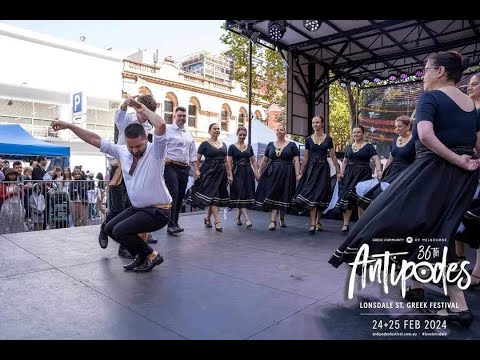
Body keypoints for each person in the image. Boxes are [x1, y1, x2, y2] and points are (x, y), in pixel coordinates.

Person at [329, 51, 480, 327]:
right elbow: (478, 144)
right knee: (438, 233)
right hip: (462, 177)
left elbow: (424, 135)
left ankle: (365, 257)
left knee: (390, 216)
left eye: (426, 69)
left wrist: (457, 159)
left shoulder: (430, 98)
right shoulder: (471, 106)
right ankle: (448, 299)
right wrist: (467, 162)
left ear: (441, 72)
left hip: (433, 171)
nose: (423, 75)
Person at [51, 97, 170, 272]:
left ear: (146, 139)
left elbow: (160, 126)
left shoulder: (156, 151)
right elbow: (93, 139)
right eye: (131, 147)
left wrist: (143, 109)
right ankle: (141, 255)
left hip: (159, 210)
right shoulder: (122, 151)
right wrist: (69, 125)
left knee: (121, 230)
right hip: (139, 209)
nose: (135, 150)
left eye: (139, 146)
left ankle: (151, 255)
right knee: (109, 228)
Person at [98, 95, 156, 254]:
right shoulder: (128, 119)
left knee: (132, 208)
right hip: (119, 168)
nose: (146, 115)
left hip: (136, 170)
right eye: (144, 111)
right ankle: (104, 229)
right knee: (117, 208)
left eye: (149, 112)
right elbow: (119, 117)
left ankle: (125, 247)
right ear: (138, 108)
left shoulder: (149, 127)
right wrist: (125, 103)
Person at [356, 116, 415, 210]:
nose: (397, 129)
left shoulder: (415, 140)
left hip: (406, 173)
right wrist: (383, 173)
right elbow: (390, 159)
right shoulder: (395, 140)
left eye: (399, 126)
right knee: (376, 195)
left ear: (408, 126)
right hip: (392, 172)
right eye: (396, 127)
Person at [293, 116, 341, 233]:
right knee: (312, 195)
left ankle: (319, 221)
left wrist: (338, 171)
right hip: (311, 169)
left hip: (323, 169)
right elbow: (306, 157)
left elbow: (333, 156)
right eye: (313, 122)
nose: (315, 124)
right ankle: (312, 223)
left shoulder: (328, 139)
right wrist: (301, 171)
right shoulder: (309, 139)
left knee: (322, 194)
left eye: (317, 122)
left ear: (322, 124)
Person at [455, 72, 480, 287]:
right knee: (457, 214)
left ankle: (478, 272)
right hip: (461, 167)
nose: (469, 87)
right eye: (468, 84)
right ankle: (459, 261)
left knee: (476, 218)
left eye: (474, 84)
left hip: (475, 166)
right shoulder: (466, 110)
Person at [335, 125, 382, 232]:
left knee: (361, 199)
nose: (356, 134)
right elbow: (345, 162)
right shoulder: (349, 147)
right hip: (350, 174)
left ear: (363, 134)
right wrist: (341, 173)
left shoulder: (369, 147)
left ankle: (361, 224)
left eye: (358, 132)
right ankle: (345, 224)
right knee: (348, 198)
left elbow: (376, 159)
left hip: (363, 174)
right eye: (354, 132)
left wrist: (379, 171)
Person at [256, 124, 301, 230]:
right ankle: (272, 221)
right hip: (272, 173)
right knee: (273, 194)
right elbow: (265, 160)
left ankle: (282, 218)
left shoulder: (292, 145)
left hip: (287, 173)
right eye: (277, 129)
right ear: (275, 132)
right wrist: (259, 171)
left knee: (283, 194)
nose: (279, 131)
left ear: (285, 132)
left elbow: (296, 160)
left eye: (282, 129)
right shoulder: (270, 145)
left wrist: (297, 174)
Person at [164, 106, 200, 235]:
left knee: (180, 196)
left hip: (184, 168)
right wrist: (163, 158)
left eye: (184, 116)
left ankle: (175, 223)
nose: (182, 118)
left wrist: (196, 169)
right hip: (171, 166)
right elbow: (159, 146)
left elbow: (192, 154)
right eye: (180, 115)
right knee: (173, 193)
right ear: (174, 116)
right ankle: (170, 224)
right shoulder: (167, 130)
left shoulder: (188, 133)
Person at [189, 123, 231, 232]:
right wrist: (197, 170)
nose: (217, 130)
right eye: (214, 128)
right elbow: (196, 158)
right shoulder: (204, 144)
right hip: (209, 172)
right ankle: (217, 221)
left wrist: (229, 174)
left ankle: (207, 218)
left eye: (218, 128)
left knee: (214, 197)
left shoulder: (224, 144)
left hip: (221, 173)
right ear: (209, 131)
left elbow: (226, 161)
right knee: (212, 196)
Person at [227, 126, 258, 228]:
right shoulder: (232, 147)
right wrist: (230, 175)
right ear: (237, 135)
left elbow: (253, 160)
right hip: (237, 172)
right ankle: (247, 219)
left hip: (248, 172)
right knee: (240, 194)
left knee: (245, 196)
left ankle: (237, 217)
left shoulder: (249, 147)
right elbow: (229, 162)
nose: (242, 136)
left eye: (244, 135)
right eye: (240, 134)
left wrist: (256, 172)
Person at [0, 168, 28, 234]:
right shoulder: (3, 184)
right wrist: (12, 193)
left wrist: (21, 190)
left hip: (17, 205)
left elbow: (22, 195)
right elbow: (1, 196)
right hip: (7, 205)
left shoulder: (17, 183)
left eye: (14, 175)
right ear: (7, 175)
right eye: (11, 174)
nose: (13, 176)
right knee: (7, 221)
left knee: (18, 219)